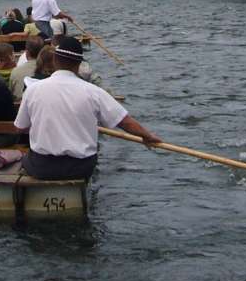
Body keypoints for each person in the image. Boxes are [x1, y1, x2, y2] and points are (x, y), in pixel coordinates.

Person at [14, 37, 161, 180]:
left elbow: (20, 128)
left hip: (42, 166)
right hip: (80, 167)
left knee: (24, 158)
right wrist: (147, 136)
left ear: (55, 60)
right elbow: (125, 121)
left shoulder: (33, 89)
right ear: (79, 64)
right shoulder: (94, 92)